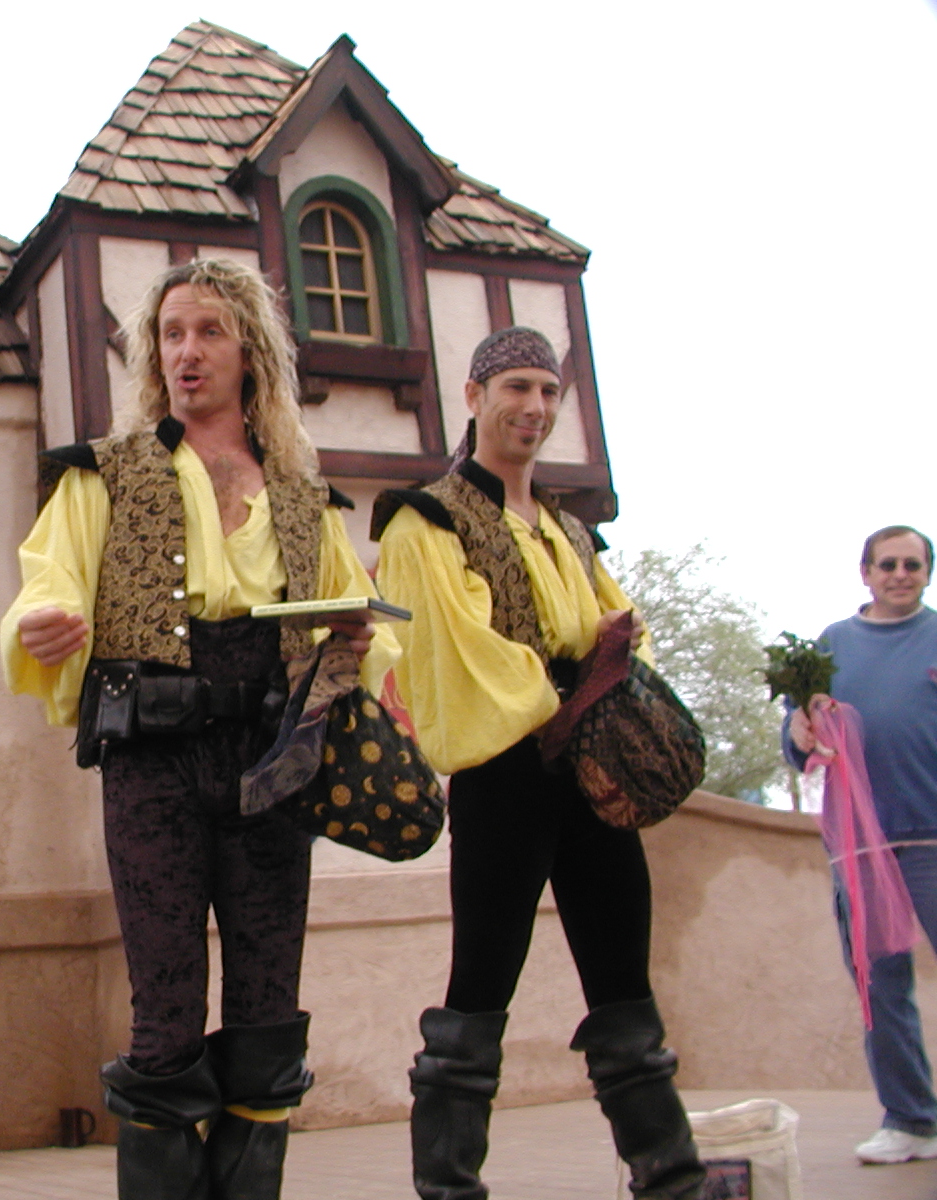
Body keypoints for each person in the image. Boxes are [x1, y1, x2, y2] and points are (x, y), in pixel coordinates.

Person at [0, 258, 397, 1200]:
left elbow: (361, 635)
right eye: (171, 333)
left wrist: (354, 635)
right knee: (165, 1013)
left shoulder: (302, 495)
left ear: (249, 351)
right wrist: (41, 626)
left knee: (267, 1014)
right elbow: (47, 584)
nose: (187, 350)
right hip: (153, 760)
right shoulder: (103, 474)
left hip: (274, 762)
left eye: (209, 331)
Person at [372, 326, 703, 1200]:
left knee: (624, 989)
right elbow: (451, 647)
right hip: (506, 777)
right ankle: (448, 1188)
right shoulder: (425, 517)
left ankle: (670, 1181)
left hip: (590, 776)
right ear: (474, 396)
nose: (535, 406)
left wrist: (602, 668)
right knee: (479, 989)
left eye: (549, 391)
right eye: (517, 386)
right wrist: (571, 680)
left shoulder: (569, 529)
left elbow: (621, 632)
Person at [784, 525, 937, 1166]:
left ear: (927, 573)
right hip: (861, 848)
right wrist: (800, 732)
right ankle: (911, 1121)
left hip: (933, 839)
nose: (900, 574)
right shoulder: (832, 645)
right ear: (866, 573)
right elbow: (796, 740)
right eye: (887, 564)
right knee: (881, 985)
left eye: (912, 565)